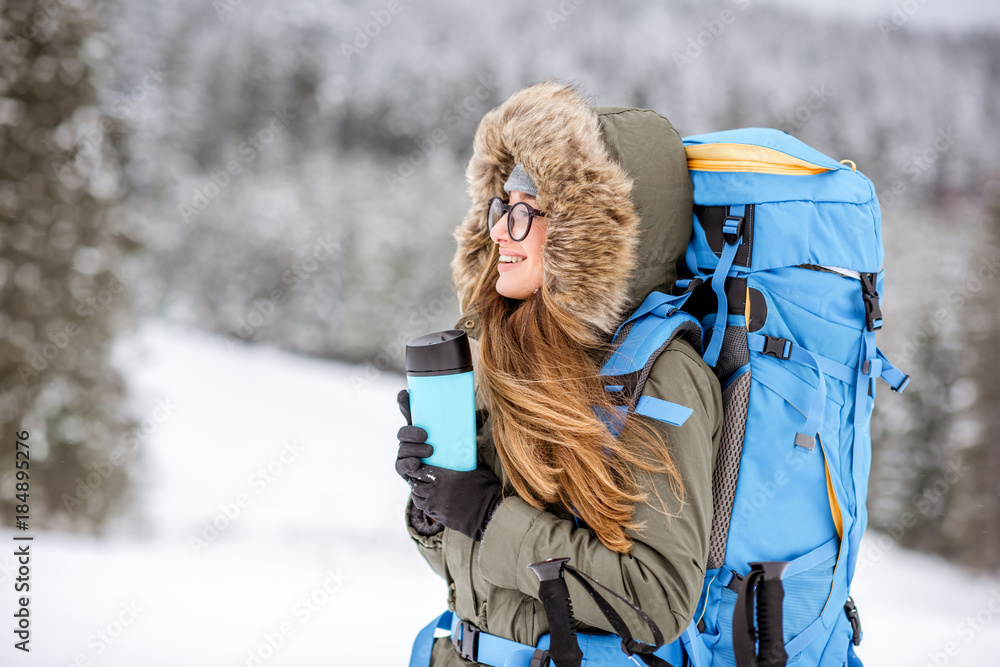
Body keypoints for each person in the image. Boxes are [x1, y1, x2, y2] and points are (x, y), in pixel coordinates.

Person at [395, 80, 723, 667]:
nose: (499, 230)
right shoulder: (515, 355)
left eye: (524, 211)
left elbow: (659, 598)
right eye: (499, 205)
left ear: (588, 232)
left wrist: (487, 515)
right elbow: (487, 581)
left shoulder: (663, 376)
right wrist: (435, 508)